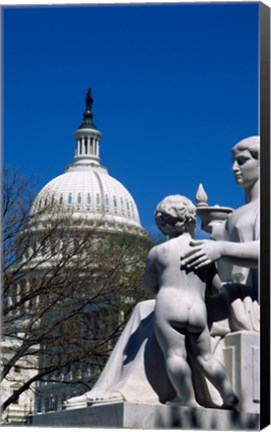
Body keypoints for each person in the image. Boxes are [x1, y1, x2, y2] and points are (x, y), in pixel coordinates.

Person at [143, 195, 239, 409]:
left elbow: (149, 286)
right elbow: (215, 289)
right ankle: (229, 395)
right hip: (197, 309)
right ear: (191, 221)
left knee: (175, 354)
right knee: (205, 357)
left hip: (169, 306)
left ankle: (186, 399)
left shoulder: (158, 252)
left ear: (162, 224)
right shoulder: (202, 250)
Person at [181, 136, 260, 332]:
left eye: (242, 161)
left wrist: (221, 248)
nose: (234, 168)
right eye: (233, 162)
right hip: (222, 293)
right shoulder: (236, 214)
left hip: (247, 300)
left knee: (171, 313)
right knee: (145, 308)